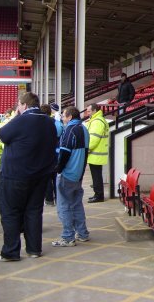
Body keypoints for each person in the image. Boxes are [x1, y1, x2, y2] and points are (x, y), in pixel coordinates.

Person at [0, 92, 57, 261]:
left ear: (23, 105)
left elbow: (2, 134)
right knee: (34, 212)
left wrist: (15, 116)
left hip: (15, 175)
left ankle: (10, 252)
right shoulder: (49, 122)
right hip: (40, 175)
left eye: (19, 105)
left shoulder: (21, 119)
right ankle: (34, 249)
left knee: (10, 213)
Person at [52, 106, 90, 247]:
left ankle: (68, 237)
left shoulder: (70, 130)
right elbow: (85, 153)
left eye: (63, 116)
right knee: (76, 204)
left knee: (64, 206)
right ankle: (82, 233)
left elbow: (64, 153)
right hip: (78, 174)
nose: (62, 118)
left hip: (67, 174)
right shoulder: (84, 129)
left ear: (69, 117)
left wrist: (58, 169)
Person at [84, 104, 109, 203]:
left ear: (95, 110)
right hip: (96, 153)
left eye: (89, 111)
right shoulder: (97, 120)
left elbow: (94, 138)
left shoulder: (97, 121)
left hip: (96, 153)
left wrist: (87, 148)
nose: (87, 113)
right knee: (96, 176)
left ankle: (99, 195)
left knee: (97, 176)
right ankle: (97, 194)